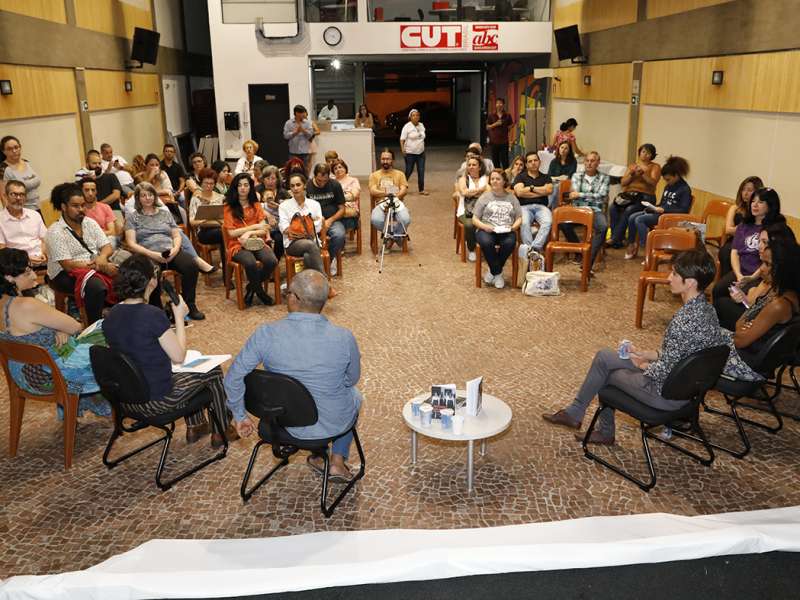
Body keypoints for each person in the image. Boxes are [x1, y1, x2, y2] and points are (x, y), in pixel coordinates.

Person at [542, 249, 724, 444]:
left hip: (666, 392)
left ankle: (602, 430)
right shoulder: (708, 310)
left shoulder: (683, 320)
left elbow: (665, 370)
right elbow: (682, 354)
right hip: (687, 389)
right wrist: (645, 354)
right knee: (604, 356)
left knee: (606, 375)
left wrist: (642, 365)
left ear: (690, 283)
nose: (669, 278)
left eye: (675, 274)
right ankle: (575, 413)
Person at [223, 269, 361, 481]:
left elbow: (233, 377)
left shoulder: (265, 334)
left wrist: (240, 416)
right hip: (332, 422)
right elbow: (351, 380)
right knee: (355, 396)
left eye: (287, 292)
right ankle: (337, 462)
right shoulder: (344, 338)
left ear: (294, 299)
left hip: (282, 421)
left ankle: (318, 455)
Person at [103, 255, 233, 447]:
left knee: (188, 370)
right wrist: (179, 317)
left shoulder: (111, 315)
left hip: (126, 398)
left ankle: (196, 426)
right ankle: (221, 431)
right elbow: (178, 356)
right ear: (151, 282)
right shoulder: (152, 315)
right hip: (156, 400)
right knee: (212, 371)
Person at [0, 247, 106, 417]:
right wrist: (60, 328)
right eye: (27, 272)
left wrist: (57, 328)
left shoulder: (4, 304)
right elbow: (76, 327)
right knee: (105, 329)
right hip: (49, 377)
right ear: (9, 277)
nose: (34, 276)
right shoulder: (27, 305)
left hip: (21, 376)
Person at [123, 182, 205, 320]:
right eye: (143, 195)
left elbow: (176, 235)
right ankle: (157, 310)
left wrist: (174, 249)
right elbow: (131, 243)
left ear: (155, 196)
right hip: (148, 253)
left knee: (191, 266)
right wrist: (152, 254)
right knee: (152, 273)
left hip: (170, 250)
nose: (148, 198)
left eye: (150, 194)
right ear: (138, 199)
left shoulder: (165, 214)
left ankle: (189, 305)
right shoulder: (133, 217)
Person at [726, 223, 800, 366]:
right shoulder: (778, 290)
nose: (761, 269)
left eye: (767, 264)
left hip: (747, 363)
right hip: (748, 352)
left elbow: (740, 341)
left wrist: (747, 326)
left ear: (783, 268)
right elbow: (739, 324)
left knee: (698, 343)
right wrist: (745, 326)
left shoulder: (780, 304)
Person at [713, 188, 785, 330]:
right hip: (741, 272)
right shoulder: (744, 225)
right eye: (753, 201)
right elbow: (734, 252)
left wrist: (752, 277)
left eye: (760, 202)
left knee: (743, 297)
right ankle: (719, 327)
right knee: (718, 290)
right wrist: (739, 274)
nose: (755, 205)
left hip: (759, 276)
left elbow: (769, 262)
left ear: (770, 205)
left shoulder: (775, 229)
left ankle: (740, 326)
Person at [46, 183, 118, 324]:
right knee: (96, 286)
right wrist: (100, 266)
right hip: (63, 275)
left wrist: (102, 258)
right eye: (75, 206)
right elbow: (68, 265)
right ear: (63, 207)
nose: (81, 209)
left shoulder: (89, 223)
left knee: (128, 275)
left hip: (93, 265)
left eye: (83, 205)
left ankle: (118, 320)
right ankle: (93, 328)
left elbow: (107, 246)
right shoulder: (55, 231)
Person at [223, 173, 277, 307]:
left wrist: (250, 233)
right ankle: (260, 293)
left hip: (256, 241)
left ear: (250, 187)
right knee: (250, 263)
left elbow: (264, 229)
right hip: (237, 244)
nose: (243, 188)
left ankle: (251, 288)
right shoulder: (228, 207)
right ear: (235, 188)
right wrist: (254, 226)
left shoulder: (256, 205)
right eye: (239, 185)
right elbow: (231, 233)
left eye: (246, 185)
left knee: (272, 261)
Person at [625, 155, 693, 260]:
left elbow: (684, 210)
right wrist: (652, 207)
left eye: (668, 179)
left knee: (639, 219)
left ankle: (649, 249)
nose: (667, 182)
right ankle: (631, 244)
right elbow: (662, 203)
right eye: (665, 180)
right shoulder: (668, 186)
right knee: (632, 217)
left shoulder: (685, 189)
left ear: (677, 176)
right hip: (660, 213)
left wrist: (664, 210)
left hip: (669, 217)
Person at [279, 174, 336, 297]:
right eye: (292, 186)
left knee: (309, 252)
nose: (295, 188)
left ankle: (309, 289)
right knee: (310, 245)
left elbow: (319, 226)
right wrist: (307, 226)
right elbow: (284, 228)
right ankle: (327, 285)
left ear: (304, 185)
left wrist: (300, 227)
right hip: (293, 244)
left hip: (312, 242)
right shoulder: (284, 206)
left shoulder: (314, 204)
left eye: (298, 185)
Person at [472, 169, 522, 288]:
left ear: (504, 181)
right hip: (486, 229)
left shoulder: (512, 198)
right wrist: (485, 226)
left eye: (498, 179)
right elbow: (474, 219)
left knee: (510, 242)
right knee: (486, 242)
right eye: (492, 179)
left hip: (506, 230)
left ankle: (492, 270)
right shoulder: (484, 197)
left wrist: (512, 227)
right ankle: (498, 273)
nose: (494, 181)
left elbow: (519, 218)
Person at [562, 151, 610, 270]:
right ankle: (579, 252)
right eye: (587, 161)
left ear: (598, 163)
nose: (589, 163)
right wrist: (591, 195)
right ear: (584, 163)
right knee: (563, 224)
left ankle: (587, 261)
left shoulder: (604, 178)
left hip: (595, 210)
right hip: (578, 209)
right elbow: (575, 194)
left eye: (592, 161)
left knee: (603, 227)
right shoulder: (577, 176)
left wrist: (580, 194)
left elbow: (602, 196)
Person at [608, 143, 661, 248]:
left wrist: (643, 174)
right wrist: (631, 174)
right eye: (643, 152)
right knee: (612, 207)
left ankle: (614, 239)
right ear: (639, 153)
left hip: (645, 197)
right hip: (629, 195)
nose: (645, 155)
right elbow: (623, 183)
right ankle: (617, 240)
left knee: (629, 210)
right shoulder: (632, 166)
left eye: (648, 153)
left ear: (652, 155)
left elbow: (653, 183)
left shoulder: (655, 166)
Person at [306, 163, 346, 276]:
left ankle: (328, 260)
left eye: (325, 180)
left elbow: (342, 209)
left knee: (339, 235)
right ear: (314, 176)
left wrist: (330, 220)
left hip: (332, 220)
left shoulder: (335, 185)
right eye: (319, 180)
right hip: (312, 221)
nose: (322, 183)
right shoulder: (307, 186)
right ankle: (314, 263)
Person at [719, 176, 763, 276]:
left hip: (751, 243)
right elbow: (728, 230)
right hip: (735, 241)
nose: (745, 193)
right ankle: (727, 279)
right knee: (725, 252)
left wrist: (743, 229)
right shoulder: (735, 208)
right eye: (743, 189)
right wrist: (745, 229)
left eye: (750, 190)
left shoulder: (758, 211)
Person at [512, 151, 553, 254]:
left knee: (548, 222)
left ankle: (533, 249)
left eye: (535, 160)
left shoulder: (546, 177)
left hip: (542, 207)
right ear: (526, 164)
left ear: (539, 162)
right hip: (524, 207)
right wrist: (540, 191)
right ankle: (531, 252)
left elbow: (548, 190)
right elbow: (519, 192)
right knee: (524, 223)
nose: (533, 163)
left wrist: (530, 188)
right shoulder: (520, 177)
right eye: (530, 161)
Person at [0, 181, 47, 267]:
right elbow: (2, 249)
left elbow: (45, 240)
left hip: (41, 259)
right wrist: (26, 259)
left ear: (25, 198)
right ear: (6, 196)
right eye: (13, 194)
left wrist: (43, 254)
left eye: (21, 195)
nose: (18, 198)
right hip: (16, 265)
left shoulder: (35, 215)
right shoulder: (1, 220)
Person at [369, 149, 411, 246]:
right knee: (376, 220)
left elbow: (403, 190)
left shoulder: (400, 174)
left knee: (405, 220)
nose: (385, 161)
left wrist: (395, 195)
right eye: (383, 159)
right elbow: (373, 191)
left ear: (392, 160)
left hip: (397, 202)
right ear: (380, 160)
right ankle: (396, 237)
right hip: (381, 203)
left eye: (388, 159)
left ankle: (391, 238)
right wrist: (389, 192)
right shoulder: (374, 175)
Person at [189, 168, 226, 273]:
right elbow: (192, 222)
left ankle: (227, 267)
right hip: (203, 233)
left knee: (225, 232)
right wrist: (209, 220)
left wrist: (212, 219)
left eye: (212, 183)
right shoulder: (196, 198)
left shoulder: (219, 197)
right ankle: (226, 270)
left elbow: (224, 218)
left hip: (219, 229)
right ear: (201, 182)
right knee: (223, 232)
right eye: (206, 183)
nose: (209, 186)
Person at [135, 153, 185, 225]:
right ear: (146, 165)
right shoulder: (140, 176)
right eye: (152, 165)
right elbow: (141, 190)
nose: (155, 167)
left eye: (157, 165)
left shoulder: (163, 174)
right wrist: (150, 177)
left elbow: (168, 190)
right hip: (147, 205)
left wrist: (155, 192)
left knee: (180, 212)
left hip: (165, 202)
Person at [457, 156, 489, 262]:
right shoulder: (463, 179)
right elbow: (464, 192)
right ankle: (471, 249)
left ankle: (486, 247)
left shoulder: (486, 178)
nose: (471, 167)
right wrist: (481, 190)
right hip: (465, 211)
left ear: (479, 167)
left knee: (492, 222)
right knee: (470, 225)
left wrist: (472, 192)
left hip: (484, 210)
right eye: (469, 165)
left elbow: (489, 193)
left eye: (474, 165)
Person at [1, 136, 42, 212]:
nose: (14, 150)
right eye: (9, 149)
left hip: (36, 208)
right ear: (4, 151)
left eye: (16, 147)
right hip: (21, 211)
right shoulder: (4, 169)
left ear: (20, 147)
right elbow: (4, 196)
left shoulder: (26, 162)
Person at [258, 165, 290, 260]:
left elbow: (290, 209)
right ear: (263, 179)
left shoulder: (283, 192)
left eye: (273, 178)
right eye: (267, 178)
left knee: (280, 239)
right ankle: (265, 260)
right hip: (261, 225)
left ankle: (275, 260)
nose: (270, 181)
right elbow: (253, 207)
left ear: (277, 180)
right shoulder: (258, 190)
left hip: (278, 225)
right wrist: (267, 214)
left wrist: (280, 207)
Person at [80, 177, 118, 242]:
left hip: (105, 239)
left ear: (96, 191)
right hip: (87, 241)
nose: (90, 193)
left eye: (93, 190)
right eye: (86, 190)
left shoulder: (105, 207)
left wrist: (95, 235)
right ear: (81, 191)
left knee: (111, 239)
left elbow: (112, 232)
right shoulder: (78, 210)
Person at [400, 108, 428, 195]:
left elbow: (423, 136)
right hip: (410, 153)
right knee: (409, 170)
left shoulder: (421, 125)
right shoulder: (407, 126)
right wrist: (402, 149)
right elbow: (402, 139)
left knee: (421, 170)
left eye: (417, 115)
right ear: (410, 117)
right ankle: (401, 187)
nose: (415, 117)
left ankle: (421, 189)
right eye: (413, 115)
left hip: (421, 153)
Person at [332, 159, 360, 235]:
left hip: (349, 212)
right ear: (333, 172)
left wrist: (337, 198)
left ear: (345, 168)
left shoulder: (353, 180)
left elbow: (355, 194)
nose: (338, 170)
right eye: (335, 168)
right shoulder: (331, 182)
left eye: (340, 167)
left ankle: (338, 237)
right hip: (334, 211)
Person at [283, 105, 315, 171]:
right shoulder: (288, 123)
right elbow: (285, 136)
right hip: (293, 152)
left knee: (305, 170)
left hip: (305, 152)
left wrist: (303, 130)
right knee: (293, 170)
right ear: (297, 113)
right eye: (302, 112)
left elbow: (310, 135)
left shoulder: (308, 123)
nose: (304, 114)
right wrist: (295, 132)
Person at [547, 140, 578, 209]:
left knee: (556, 187)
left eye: (566, 148)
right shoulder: (554, 161)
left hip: (567, 184)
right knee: (554, 187)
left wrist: (556, 178)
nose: (563, 150)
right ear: (559, 148)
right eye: (562, 147)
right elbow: (549, 176)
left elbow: (569, 177)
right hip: (554, 183)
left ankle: (549, 206)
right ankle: (553, 209)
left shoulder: (573, 161)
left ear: (569, 151)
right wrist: (559, 178)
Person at [486, 98, 514, 170]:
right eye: (497, 103)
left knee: (505, 161)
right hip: (494, 141)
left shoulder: (507, 115)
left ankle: (506, 176)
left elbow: (511, 125)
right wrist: (495, 124)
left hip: (504, 141)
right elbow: (487, 127)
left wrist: (509, 128)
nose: (499, 105)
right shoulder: (491, 115)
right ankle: (497, 175)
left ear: (503, 105)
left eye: (501, 103)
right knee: (495, 160)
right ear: (495, 105)